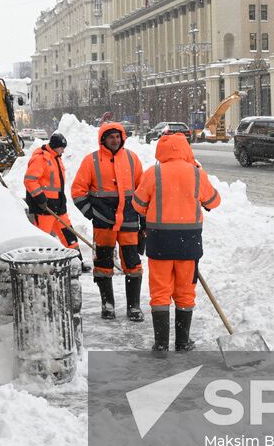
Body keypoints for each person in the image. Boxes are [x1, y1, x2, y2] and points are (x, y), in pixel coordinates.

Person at [132, 133, 221, 356]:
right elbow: (213, 201)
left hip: (159, 241)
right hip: (188, 243)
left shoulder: (154, 172)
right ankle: (182, 342)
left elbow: (138, 205)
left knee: (160, 292)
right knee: (185, 291)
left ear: (161, 150)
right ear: (185, 149)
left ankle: (161, 344)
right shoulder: (196, 173)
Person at [71, 122, 145, 322]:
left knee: (133, 263)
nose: (115, 140)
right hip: (103, 221)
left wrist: (143, 219)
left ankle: (134, 307)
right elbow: (78, 190)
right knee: (103, 264)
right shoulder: (91, 161)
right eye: (111, 137)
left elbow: (143, 190)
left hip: (129, 219)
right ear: (103, 139)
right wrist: (92, 213)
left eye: (118, 136)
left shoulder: (132, 159)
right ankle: (107, 305)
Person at [23, 133, 77, 251]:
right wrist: (40, 199)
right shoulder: (41, 158)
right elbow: (29, 180)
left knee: (69, 235)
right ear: (55, 146)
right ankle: (43, 264)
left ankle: (78, 260)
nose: (63, 151)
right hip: (44, 207)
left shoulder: (56, 158)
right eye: (62, 148)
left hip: (59, 206)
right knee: (43, 240)